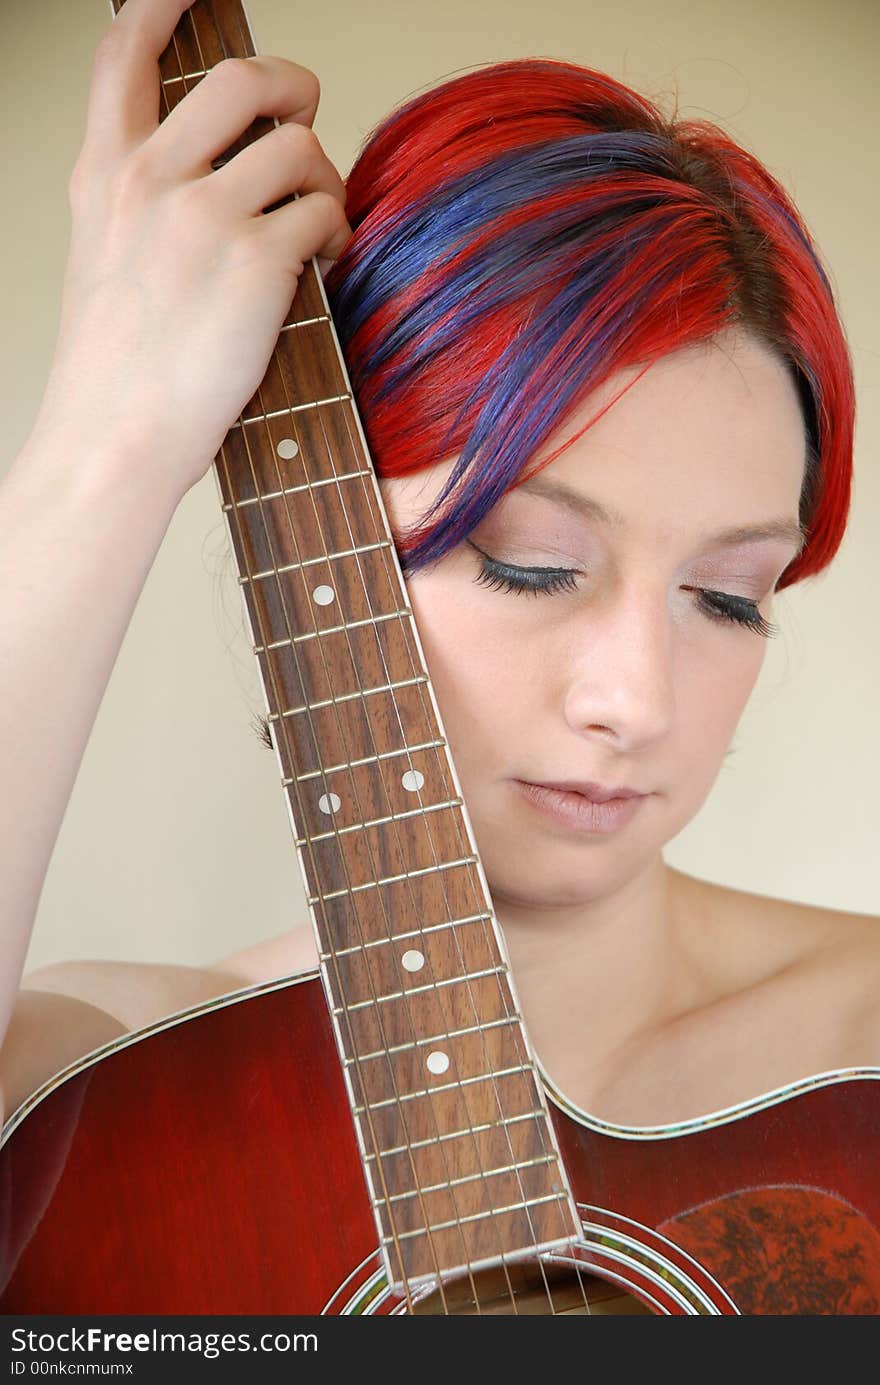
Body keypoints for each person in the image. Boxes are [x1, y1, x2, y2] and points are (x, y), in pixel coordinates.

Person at [0, 0, 876, 1133]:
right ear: (321, 528)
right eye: (530, 565)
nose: (636, 701)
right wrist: (106, 438)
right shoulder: (95, 1095)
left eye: (725, 597)